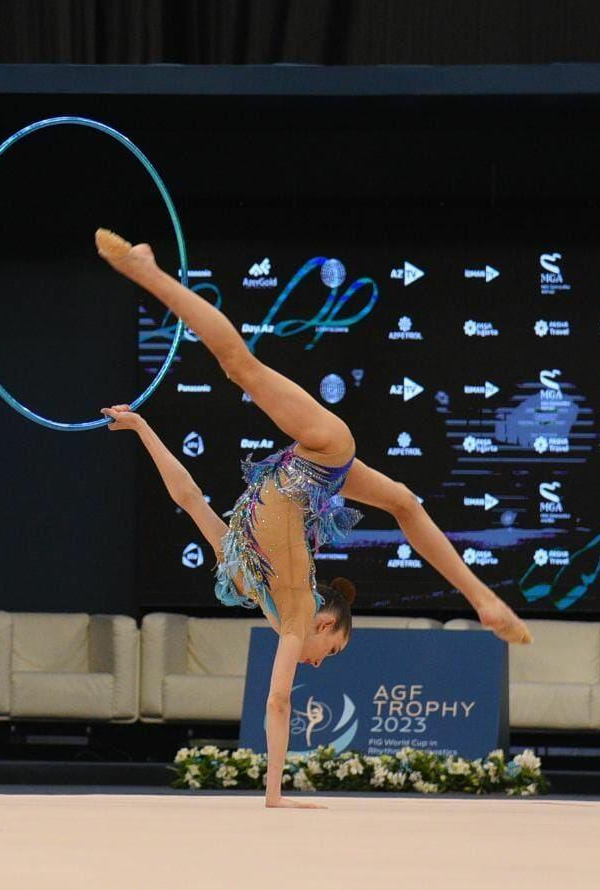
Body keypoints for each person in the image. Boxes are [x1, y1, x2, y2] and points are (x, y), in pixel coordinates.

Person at [95, 228, 532, 809]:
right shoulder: (294, 612)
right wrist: (275, 795)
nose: (319, 662)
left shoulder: (254, 585)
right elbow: (279, 700)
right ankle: (147, 271)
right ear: (325, 625)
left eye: (329, 656)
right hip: (323, 454)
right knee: (244, 370)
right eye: (331, 653)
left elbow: (191, 499)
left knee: (399, 498)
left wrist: (142, 428)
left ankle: (483, 600)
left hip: (319, 466)